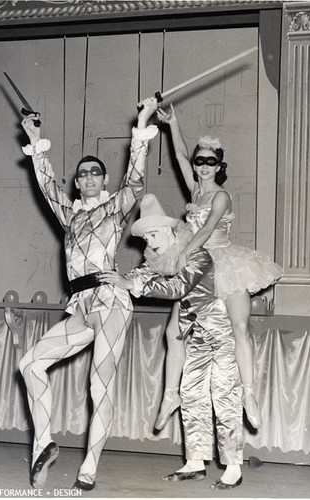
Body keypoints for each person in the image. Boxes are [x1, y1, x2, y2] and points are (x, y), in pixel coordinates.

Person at [18, 97, 159, 490]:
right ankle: (44, 443)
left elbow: (135, 180)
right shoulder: (70, 213)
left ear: (103, 179)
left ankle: (89, 468)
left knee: (99, 386)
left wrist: (143, 123)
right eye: (84, 174)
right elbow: (47, 186)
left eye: (96, 172)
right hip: (79, 304)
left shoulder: (115, 208)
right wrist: (34, 137)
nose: (91, 177)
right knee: (30, 364)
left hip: (110, 301)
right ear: (77, 182)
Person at [100, 193, 244, 489]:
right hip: (199, 337)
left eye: (154, 234)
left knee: (224, 394)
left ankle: (233, 465)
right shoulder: (160, 258)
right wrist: (117, 279)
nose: (150, 242)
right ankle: (195, 461)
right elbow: (138, 274)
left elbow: (177, 287)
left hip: (222, 334)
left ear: (170, 231)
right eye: (146, 237)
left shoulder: (197, 254)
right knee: (191, 394)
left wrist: (132, 285)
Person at [152, 103, 282, 430]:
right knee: (174, 331)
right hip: (198, 267)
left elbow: (208, 229)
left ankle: (249, 395)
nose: (204, 166)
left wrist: (185, 255)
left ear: (219, 165)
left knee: (240, 327)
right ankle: (171, 394)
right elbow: (180, 154)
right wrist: (173, 122)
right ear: (196, 166)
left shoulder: (221, 196)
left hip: (224, 263)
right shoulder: (195, 187)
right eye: (200, 161)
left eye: (211, 161)